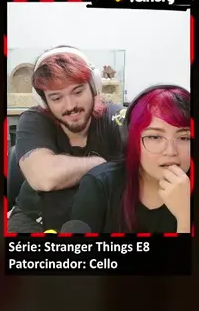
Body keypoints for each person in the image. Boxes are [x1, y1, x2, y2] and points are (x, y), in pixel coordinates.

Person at [10, 46, 126, 232]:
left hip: (98, 220)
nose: (70, 106)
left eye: (78, 92)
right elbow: (45, 177)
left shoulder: (115, 117)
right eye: (56, 98)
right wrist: (99, 164)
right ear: (44, 102)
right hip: (34, 218)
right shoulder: (33, 120)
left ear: (93, 88)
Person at [71, 85, 191, 234]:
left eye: (184, 138)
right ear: (131, 141)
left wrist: (185, 217)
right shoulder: (100, 185)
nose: (171, 152)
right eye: (154, 137)